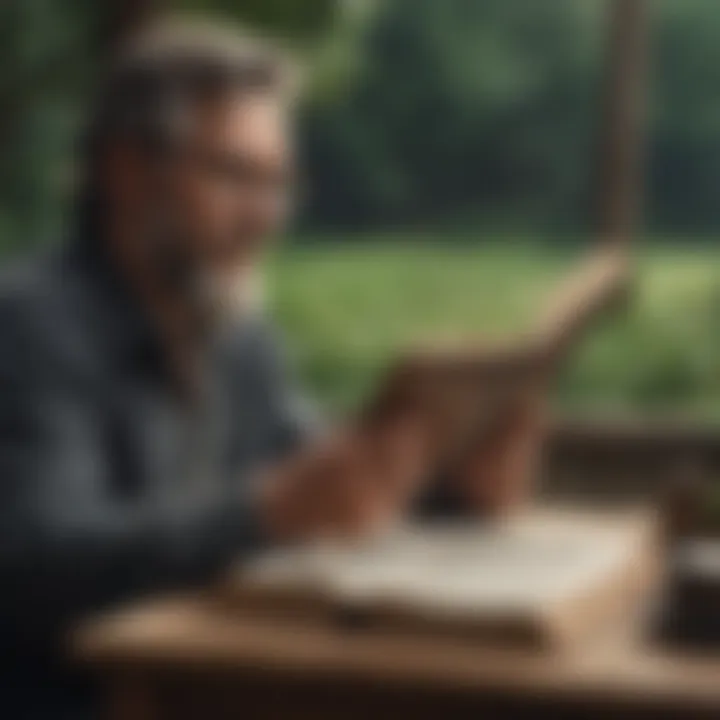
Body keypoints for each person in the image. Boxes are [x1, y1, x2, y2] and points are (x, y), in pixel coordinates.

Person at [0, 18, 541, 717]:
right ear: (128, 172)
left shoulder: (236, 334)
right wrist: (263, 513)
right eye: (235, 175)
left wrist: (451, 491)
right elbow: (33, 567)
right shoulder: (28, 327)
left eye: (280, 184)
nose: (267, 217)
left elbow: (319, 483)